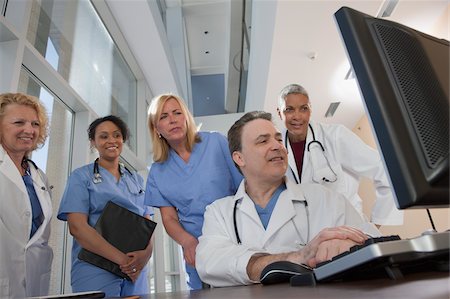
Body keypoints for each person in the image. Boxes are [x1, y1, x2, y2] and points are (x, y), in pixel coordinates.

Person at [196, 111, 380, 287]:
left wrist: (350, 246)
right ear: (239, 158)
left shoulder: (325, 198)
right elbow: (209, 264)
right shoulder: (219, 212)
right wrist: (297, 257)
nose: (277, 146)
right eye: (263, 141)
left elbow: (375, 240)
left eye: (277, 139)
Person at [145, 93, 243, 289]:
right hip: (198, 249)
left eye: (177, 113)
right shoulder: (157, 171)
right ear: (157, 129)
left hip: (237, 238)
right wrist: (187, 242)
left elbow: (244, 189)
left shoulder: (217, 143)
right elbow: (169, 219)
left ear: (186, 117)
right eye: (163, 116)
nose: (172, 119)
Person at [277, 84, 403, 226]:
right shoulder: (275, 148)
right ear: (279, 113)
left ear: (310, 110)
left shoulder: (335, 136)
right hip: (306, 238)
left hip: (347, 230)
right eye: (289, 110)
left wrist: (378, 223)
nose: (297, 116)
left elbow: (385, 170)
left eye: (304, 108)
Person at [57, 115, 153, 297]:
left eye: (117, 135)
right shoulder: (81, 177)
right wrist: (123, 261)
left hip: (135, 271)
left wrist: (145, 256)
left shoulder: (136, 180)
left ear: (123, 139)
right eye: (103, 136)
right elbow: (77, 228)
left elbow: (147, 222)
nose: (111, 140)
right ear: (93, 142)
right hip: (95, 268)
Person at [0, 92, 53, 298]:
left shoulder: (39, 177)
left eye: (35, 124)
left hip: (34, 275)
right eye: (19, 122)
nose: (29, 130)